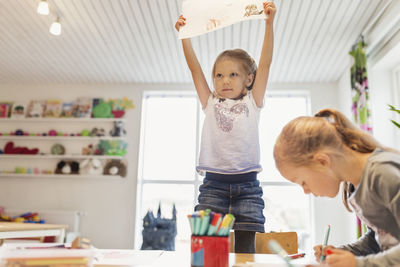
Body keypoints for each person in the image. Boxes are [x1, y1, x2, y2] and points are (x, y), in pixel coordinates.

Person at [175, 2, 276, 253]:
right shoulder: (210, 102)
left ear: (248, 79)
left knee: (245, 254)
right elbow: (194, 68)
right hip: (213, 187)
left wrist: (269, 24)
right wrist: (184, 36)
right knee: (206, 253)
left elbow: (264, 64)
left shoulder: (253, 102)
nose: (224, 81)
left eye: (232, 75)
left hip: (248, 188)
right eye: (219, 76)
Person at [273, 108, 400, 267]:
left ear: (322, 162)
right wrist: (342, 255)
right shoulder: (357, 185)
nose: (306, 191)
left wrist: (357, 264)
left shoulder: (383, 174)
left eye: (303, 182)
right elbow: (382, 238)